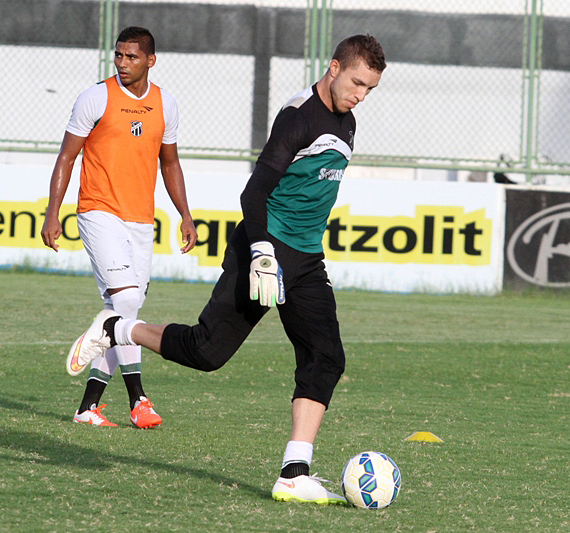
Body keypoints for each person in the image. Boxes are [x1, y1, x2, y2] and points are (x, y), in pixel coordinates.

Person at [67, 35, 386, 503]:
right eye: (357, 82)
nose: (360, 95)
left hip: (305, 261)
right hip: (262, 251)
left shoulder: (349, 122)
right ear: (334, 67)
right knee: (206, 352)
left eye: (370, 89)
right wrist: (261, 252)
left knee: (326, 357)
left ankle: (294, 472)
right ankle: (120, 328)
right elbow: (253, 195)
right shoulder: (298, 117)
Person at [41, 26, 197, 429]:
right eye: (119, 56)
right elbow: (66, 157)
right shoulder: (95, 97)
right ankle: (138, 399)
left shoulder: (166, 104)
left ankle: (87, 407)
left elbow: (170, 163)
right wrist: (52, 212)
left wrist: (185, 213)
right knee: (126, 302)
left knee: (123, 313)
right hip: (98, 211)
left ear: (150, 60)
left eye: (131, 57)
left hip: (141, 220)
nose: (123, 63)